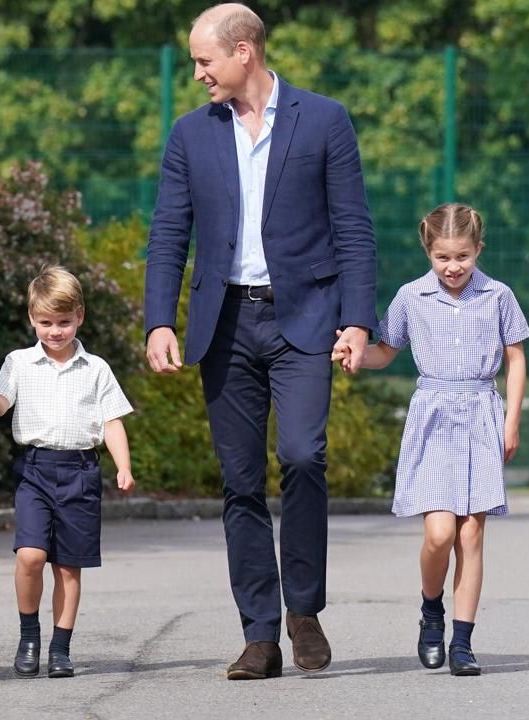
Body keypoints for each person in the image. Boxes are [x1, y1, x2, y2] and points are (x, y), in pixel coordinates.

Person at [143, 4, 378, 680]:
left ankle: (303, 609)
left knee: (304, 457)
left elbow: (354, 229)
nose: (196, 74)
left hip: (304, 319)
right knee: (241, 482)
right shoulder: (191, 135)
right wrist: (160, 320)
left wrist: (357, 321)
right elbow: (168, 233)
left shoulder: (324, 120)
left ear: (244, 52)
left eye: (204, 61)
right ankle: (260, 634)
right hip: (224, 325)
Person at [332, 203, 529, 676]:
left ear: (478, 249)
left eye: (462, 255)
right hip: (434, 416)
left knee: (472, 534)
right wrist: (354, 353)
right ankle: (431, 609)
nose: (453, 266)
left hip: (482, 414)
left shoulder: (498, 295)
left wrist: (512, 421)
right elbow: (386, 351)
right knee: (439, 534)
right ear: (428, 252)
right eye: (443, 257)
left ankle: (462, 642)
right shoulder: (411, 296)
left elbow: (516, 359)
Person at [0, 265, 135, 678]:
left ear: (79, 316)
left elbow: (112, 420)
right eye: (46, 322)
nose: (55, 331)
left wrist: (123, 467)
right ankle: (30, 635)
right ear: (32, 319)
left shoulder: (95, 368)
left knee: (67, 566)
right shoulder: (19, 362)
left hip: (80, 471)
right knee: (30, 555)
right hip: (36, 470)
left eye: (63, 322)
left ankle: (61, 649)